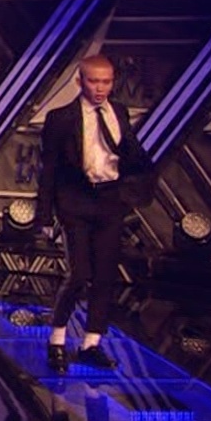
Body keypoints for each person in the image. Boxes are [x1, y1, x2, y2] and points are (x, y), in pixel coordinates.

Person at [37, 55, 154, 372]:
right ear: (80, 81)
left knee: (104, 275)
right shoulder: (61, 118)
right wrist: (44, 215)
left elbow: (131, 154)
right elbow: (49, 169)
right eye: (94, 81)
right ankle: (57, 340)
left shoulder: (119, 112)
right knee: (78, 274)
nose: (100, 88)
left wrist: (130, 191)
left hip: (110, 201)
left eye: (106, 82)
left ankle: (91, 343)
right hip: (75, 202)